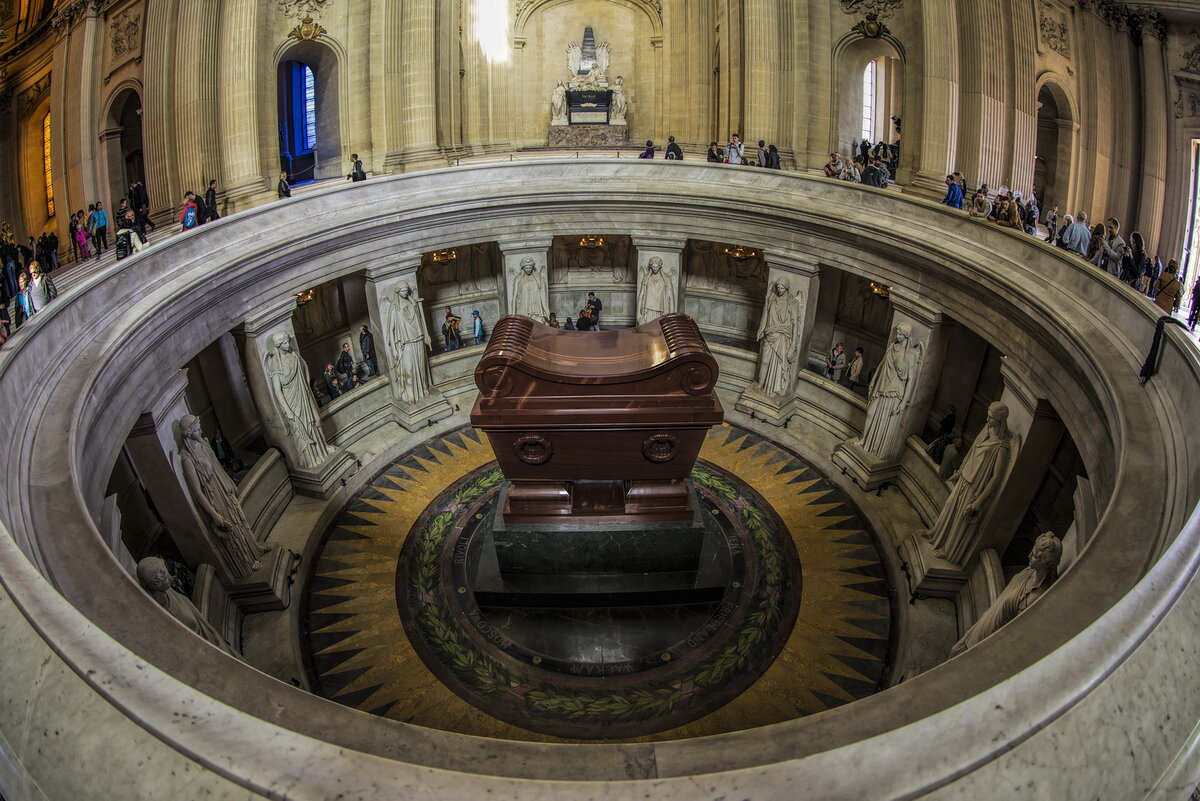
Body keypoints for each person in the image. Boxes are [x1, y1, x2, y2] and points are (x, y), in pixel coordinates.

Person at [923, 401, 1014, 565]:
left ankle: (948, 549)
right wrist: (959, 473)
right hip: (965, 478)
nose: (987, 420)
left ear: (1000, 420)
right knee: (950, 506)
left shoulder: (1001, 447)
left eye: (991, 417)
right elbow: (972, 453)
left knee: (960, 518)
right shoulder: (987, 431)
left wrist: (979, 501)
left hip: (975, 486)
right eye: (988, 415)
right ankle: (936, 534)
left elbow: (996, 478)